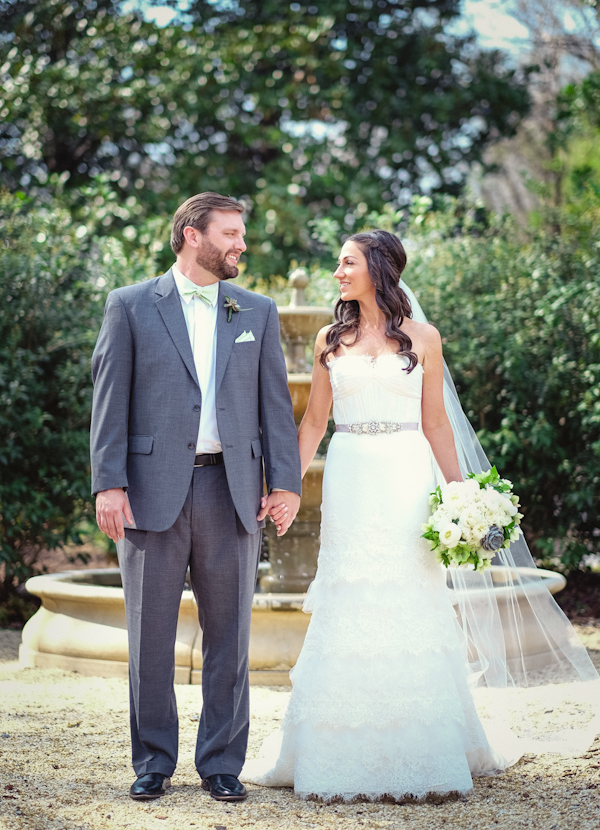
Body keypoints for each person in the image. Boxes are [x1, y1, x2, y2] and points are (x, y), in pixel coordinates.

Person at [243, 228, 600, 802]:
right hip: (352, 472)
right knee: (350, 592)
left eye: (347, 263)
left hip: (408, 476)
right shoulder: (329, 339)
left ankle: (425, 745)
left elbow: (436, 422)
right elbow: (312, 424)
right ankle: (336, 750)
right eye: (338, 264)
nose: (337, 272)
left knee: (412, 592)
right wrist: (285, 485)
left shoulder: (424, 338)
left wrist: (462, 497)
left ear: (377, 268)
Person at [90, 192, 301, 803]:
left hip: (232, 490)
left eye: (241, 234)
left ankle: (220, 763)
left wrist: (284, 482)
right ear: (190, 234)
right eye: (230, 234)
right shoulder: (129, 306)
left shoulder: (255, 310)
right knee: (148, 635)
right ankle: (153, 760)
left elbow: (274, 408)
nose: (240, 245)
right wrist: (109, 483)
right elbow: (109, 401)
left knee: (230, 635)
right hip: (150, 492)